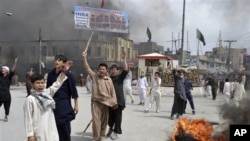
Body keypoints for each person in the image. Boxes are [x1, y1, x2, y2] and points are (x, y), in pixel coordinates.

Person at [23, 68, 68, 141]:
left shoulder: (47, 94)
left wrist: (64, 71)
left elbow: (56, 85)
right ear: (32, 84)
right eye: (38, 83)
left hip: (51, 130)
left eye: (42, 83)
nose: (40, 85)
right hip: (39, 132)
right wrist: (30, 135)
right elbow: (28, 118)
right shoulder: (30, 99)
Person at [82, 50, 117, 141]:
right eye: (100, 69)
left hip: (106, 102)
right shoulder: (94, 76)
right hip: (96, 102)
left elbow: (112, 92)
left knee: (104, 121)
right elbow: (87, 68)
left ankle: (102, 136)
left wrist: (113, 102)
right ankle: (95, 137)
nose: (102, 70)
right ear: (98, 70)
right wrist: (84, 58)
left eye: (103, 69)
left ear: (106, 70)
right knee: (96, 121)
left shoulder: (109, 80)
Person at [46, 54, 79, 141]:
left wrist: (76, 105)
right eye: (56, 60)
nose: (56, 61)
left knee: (65, 130)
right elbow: (48, 90)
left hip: (64, 105)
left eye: (59, 60)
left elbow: (74, 91)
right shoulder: (50, 74)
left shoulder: (68, 75)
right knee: (54, 130)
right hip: (53, 105)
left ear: (64, 63)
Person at [106, 51, 129, 140]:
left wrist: (124, 59)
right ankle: (111, 128)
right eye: (111, 69)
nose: (113, 70)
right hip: (110, 101)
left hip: (119, 101)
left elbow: (126, 69)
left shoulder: (120, 77)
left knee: (118, 118)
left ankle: (116, 132)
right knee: (110, 117)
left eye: (115, 69)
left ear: (118, 70)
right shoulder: (108, 79)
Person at [0, 57, 18, 122]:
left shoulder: (9, 76)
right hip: (0, 94)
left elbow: (12, 70)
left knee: (7, 107)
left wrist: (15, 62)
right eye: (2, 69)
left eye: (4, 69)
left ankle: (6, 116)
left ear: (7, 71)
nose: (2, 70)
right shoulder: (0, 76)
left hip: (6, 94)